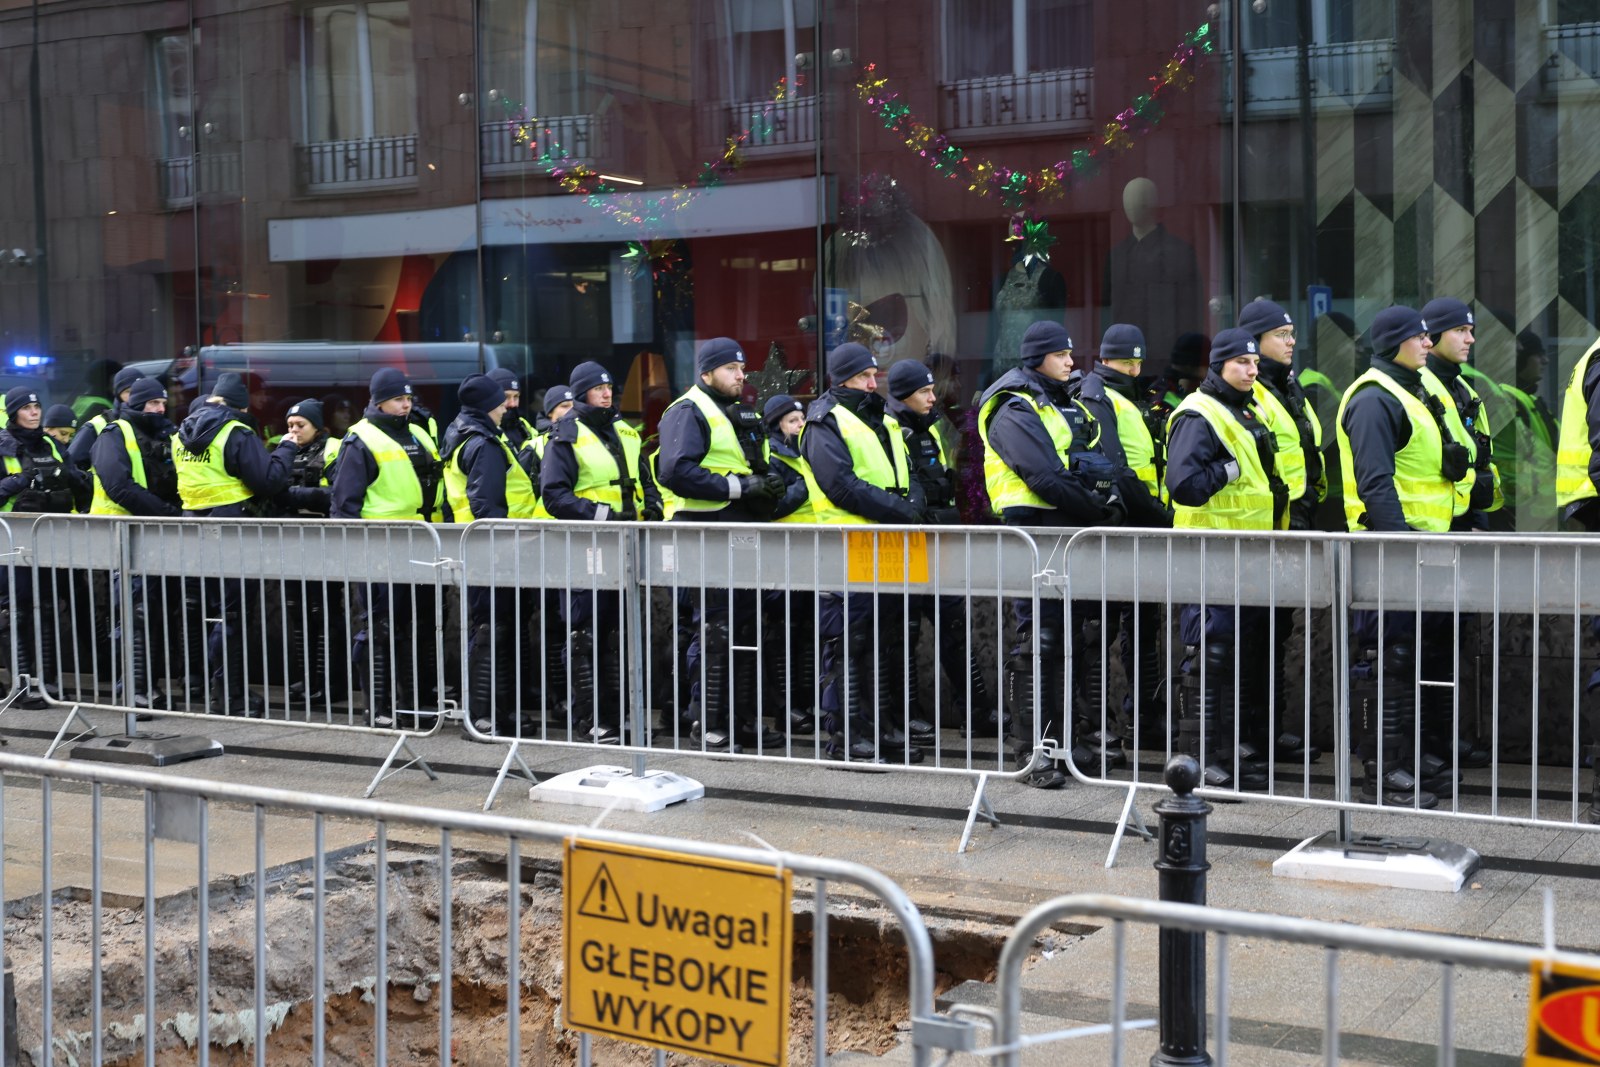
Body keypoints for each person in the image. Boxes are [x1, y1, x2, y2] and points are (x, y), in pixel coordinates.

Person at [977, 321, 1125, 787]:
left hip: (1068, 528)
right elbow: (1043, 475)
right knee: (1038, 639)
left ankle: (1064, 740)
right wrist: (1099, 508)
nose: (1071, 362)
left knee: (1070, 636)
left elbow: (1093, 460)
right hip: (1035, 530)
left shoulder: (1063, 400)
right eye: (1061, 355)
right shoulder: (1011, 405)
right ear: (1039, 356)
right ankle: (1033, 750)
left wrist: (1105, 499)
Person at [1336, 306, 1464, 808]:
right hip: (1392, 552)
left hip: (1421, 548)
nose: (1429, 344)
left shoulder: (1413, 390)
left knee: (1413, 658)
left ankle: (1407, 758)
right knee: (1386, 661)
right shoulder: (1373, 398)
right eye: (1420, 338)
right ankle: (1383, 769)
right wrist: (1401, 544)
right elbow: (1375, 482)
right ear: (1396, 343)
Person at [656, 337, 802, 752]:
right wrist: (741, 487)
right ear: (706, 374)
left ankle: (743, 720)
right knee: (716, 631)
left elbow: (746, 464)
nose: (741, 375)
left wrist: (767, 481)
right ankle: (709, 722)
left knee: (745, 629)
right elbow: (675, 470)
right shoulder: (688, 411)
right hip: (704, 529)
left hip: (736, 530)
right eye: (731, 369)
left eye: (742, 368)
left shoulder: (733, 411)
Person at [1161, 329, 1283, 790]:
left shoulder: (1243, 407)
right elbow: (1185, 486)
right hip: (1210, 554)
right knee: (1208, 658)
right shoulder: (1198, 413)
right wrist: (1227, 469)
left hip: (1243, 555)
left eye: (1254, 364)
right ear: (1218, 367)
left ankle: (1226, 749)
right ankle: (1197, 760)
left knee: (1234, 658)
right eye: (1241, 365)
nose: (1252, 371)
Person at [803, 341, 926, 765]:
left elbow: (910, 474)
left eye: (875, 376)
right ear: (842, 379)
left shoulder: (883, 420)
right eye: (863, 377)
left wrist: (914, 506)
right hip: (850, 543)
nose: (873, 384)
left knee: (886, 640)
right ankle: (847, 732)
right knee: (848, 642)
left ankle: (882, 724)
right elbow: (840, 485)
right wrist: (901, 511)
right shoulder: (824, 422)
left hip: (891, 543)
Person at [540, 361, 659, 743]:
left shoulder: (624, 430)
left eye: (609, 388)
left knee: (616, 635)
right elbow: (554, 495)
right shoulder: (566, 433)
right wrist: (604, 514)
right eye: (597, 389)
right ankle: (590, 720)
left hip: (626, 544)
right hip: (587, 545)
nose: (607, 393)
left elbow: (643, 477)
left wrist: (652, 507)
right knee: (585, 635)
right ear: (581, 394)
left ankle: (617, 716)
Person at [173, 372, 299, 715]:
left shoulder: (181, 433)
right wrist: (286, 449)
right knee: (232, 616)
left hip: (195, 527)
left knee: (213, 614)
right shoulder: (236, 431)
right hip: (231, 527)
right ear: (241, 404)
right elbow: (268, 481)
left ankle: (220, 690)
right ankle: (232, 695)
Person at [1076, 325, 1174, 751]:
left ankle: (1145, 716)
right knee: (1102, 629)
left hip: (1142, 526)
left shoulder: (1132, 395)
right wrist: (1158, 515)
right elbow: (1116, 468)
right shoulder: (1097, 397)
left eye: (1138, 360)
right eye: (1126, 361)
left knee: (1144, 624)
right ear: (1105, 358)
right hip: (1119, 525)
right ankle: (1097, 721)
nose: (1134, 367)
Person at [329, 369, 445, 727]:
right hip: (380, 549)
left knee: (420, 626)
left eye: (409, 399)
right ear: (379, 401)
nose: (406, 405)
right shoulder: (360, 439)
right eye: (399, 399)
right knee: (380, 628)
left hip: (423, 544)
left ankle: (418, 703)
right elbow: (344, 504)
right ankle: (378, 707)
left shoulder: (419, 433)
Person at [887, 358, 994, 739]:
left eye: (933, 389)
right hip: (909, 542)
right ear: (904, 396)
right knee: (906, 632)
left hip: (938, 540)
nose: (933, 397)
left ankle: (978, 710)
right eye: (924, 392)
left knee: (954, 626)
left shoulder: (930, 428)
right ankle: (908, 713)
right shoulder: (892, 431)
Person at [442, 373, 540, 737]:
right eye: (500, 401)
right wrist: (503, 546)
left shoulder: (466, 433)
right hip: (493, 549)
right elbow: (486, 504)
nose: (506, 407)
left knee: (496, 631)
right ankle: (483, 715)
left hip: (485, 548)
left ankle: (499, 712)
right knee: (489, 631)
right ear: (486, 405)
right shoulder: (482, 442)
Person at [90, 376, 183, 708]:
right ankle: (134, 689)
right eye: (153, 403)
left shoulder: (166, 435)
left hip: (154, 535)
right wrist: (167, 513)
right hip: (123, 535)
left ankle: (148, 686)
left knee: (154, 613)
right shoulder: (114, 434)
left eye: (162, 403)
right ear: (136, 404)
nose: (159, 409)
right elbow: (119, 486)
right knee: (134, 614)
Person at [0, 386, 91, 706]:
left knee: (50, 609)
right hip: (13, 540)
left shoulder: (50, 442)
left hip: (49, 538)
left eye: (37, 406)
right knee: (19, 612)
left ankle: (48, 683)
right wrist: (21, 480)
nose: (34, 412)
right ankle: (23, 686)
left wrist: (72, 482)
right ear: (14, 413)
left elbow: (74, 478)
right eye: (26, 408)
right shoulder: (4, 445)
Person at [1418, 298, 1501, 531]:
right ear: (1432, 336)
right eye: (1460, 330)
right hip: (1434, 520)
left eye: (1471, 331)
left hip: (1465, 512)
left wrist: (1478, 521)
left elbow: (1476, 457)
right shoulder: (1416, 387)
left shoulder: (1461, 386)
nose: (1470, 339)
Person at [69, 366, 144, 471]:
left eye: (140, 392)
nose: (134, 397)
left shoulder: (155, 425)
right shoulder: (98, 418)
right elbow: (72, 466)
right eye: (128, 391)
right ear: (117, 394)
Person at [487, 367, 537, 459]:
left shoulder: (523, 424)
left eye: (516, 396)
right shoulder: (484, 432)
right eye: (506, 397)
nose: (513, 404)